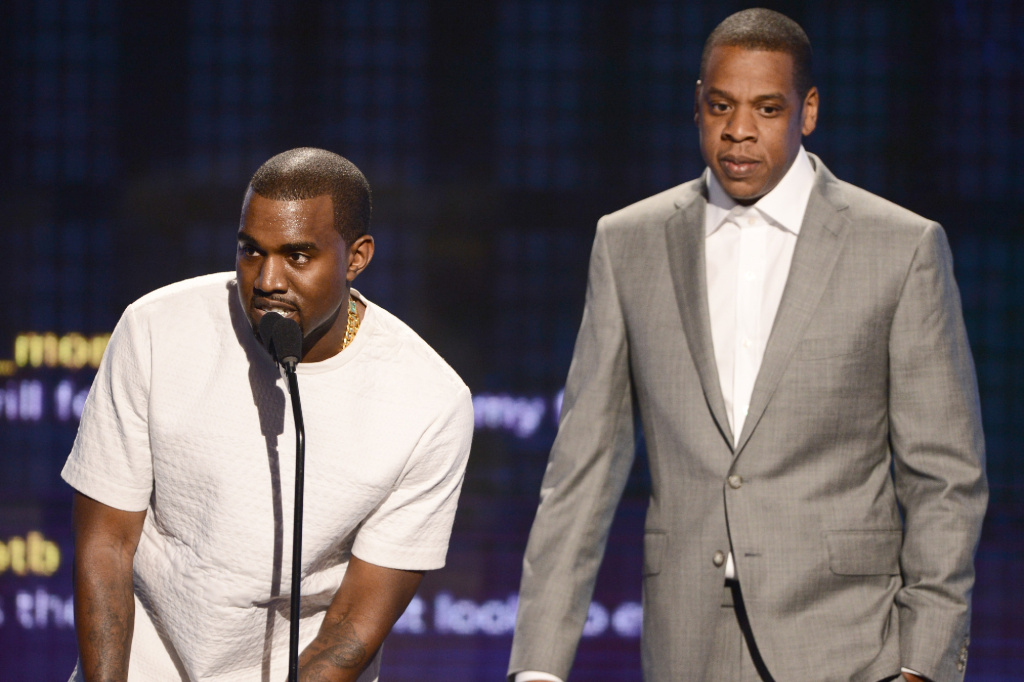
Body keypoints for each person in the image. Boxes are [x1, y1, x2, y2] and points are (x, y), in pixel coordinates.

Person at [508, 9, 986, 682]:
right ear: (697, 107)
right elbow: (581, 471)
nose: (738, 130)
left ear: (808, 110)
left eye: (767, 108)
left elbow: (945, 479)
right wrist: (538, 668)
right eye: (720, 106)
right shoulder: (630, 242)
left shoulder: (900, 247)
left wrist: (925, 665)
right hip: (686, 643)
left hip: (849, 644)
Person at [63, 148, 474, 681]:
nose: (266, 280)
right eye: (251, 251)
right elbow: (106, 546)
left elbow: (351, 627)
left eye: (298, 256)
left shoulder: (429, 402)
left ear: (356, 257)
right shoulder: (155, 330)